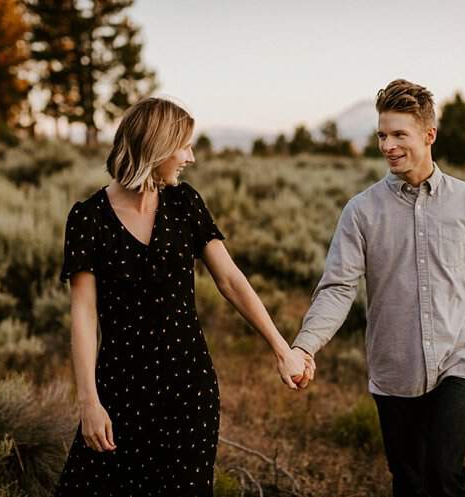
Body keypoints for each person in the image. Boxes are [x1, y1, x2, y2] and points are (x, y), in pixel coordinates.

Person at [54, 97, 313, 497]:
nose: (190, 157)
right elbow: (84, 315)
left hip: (188, 392)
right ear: (155, 147)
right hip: (119, 392)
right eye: (184, 146)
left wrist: (282, 349)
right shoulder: (88, 218)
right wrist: (89, 401)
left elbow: (230, 279)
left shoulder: (184, 203)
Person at [288, 79, 465, 497]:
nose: (388, 145)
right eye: (382, 134)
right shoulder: (361, 211)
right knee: (410, 481)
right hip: (394, 368)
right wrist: (305, 346)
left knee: (444, 475)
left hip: (458, 360)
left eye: (400, 134)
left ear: (429, 135)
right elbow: (338, 287)